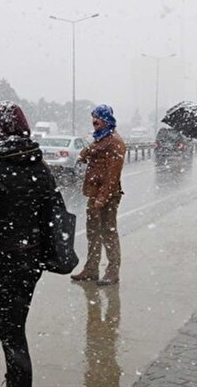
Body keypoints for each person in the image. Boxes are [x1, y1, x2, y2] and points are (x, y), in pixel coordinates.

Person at [0, 101, 56, 386]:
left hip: (3, 259)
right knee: (17, 326)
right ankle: (16, 378)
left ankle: (17, 381)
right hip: (32, 260)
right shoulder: (38, 162)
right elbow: (52, 212)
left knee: (10, 335)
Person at [71, 104, 126, 286]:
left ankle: (112, 271)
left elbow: (113, 175)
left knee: (108, 233)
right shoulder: (100, 138)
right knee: (93, 233)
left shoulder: (115, 141)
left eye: (99, 118)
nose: (95, 121)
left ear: (107, 120)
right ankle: (91, 269)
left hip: (107, 195)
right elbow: (93, 152)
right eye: (93, 117)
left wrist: (103, 197)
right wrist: (86, 152)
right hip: (94, 193)